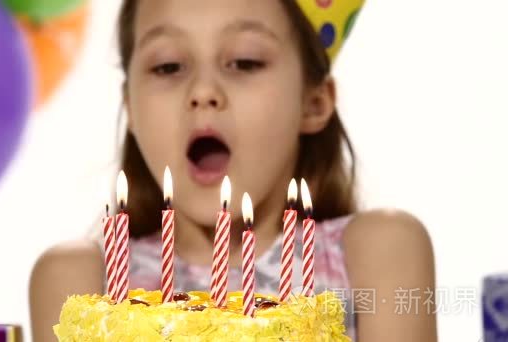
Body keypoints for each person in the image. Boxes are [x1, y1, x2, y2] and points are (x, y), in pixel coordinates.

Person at [29, 1, 437, 341]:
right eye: (168, 66)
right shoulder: (88, 283)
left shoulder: (377, 253)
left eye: (244, 61)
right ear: (131, 108)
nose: (203, 92)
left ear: (313, 102)